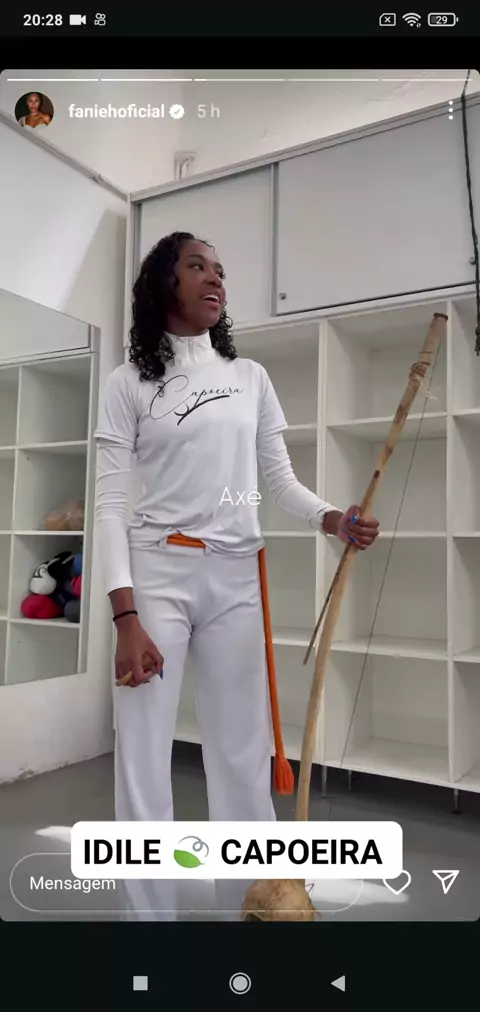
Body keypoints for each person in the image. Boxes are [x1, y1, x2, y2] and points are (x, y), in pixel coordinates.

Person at [94, 231, 380, 920]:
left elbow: (278, 481)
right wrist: (126, 616)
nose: (215, 279)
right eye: (197, 266)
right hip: (155, 572)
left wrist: (332, 518)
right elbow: (108, 505)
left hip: (235, 579)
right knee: (143, 759)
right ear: (163, 283)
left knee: (242, 757)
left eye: (220, 270)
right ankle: (149, 929)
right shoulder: (128, 383)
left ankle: (254, 911)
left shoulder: (249, 377)